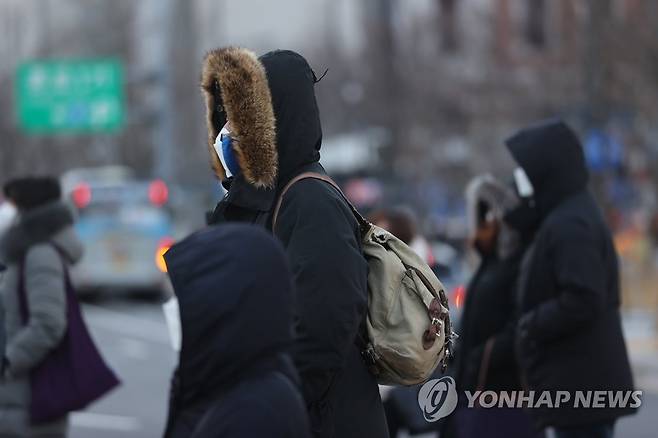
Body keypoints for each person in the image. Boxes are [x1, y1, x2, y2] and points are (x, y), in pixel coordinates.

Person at [200, 47, 388, 437]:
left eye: (245, 117)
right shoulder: (266, 198)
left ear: (276, 119)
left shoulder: (309, 200)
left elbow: (322, 326)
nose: (233, 131)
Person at [506, 119, 635, 437]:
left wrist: (531, 324)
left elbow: (583, 298)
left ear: (548, 170)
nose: (524, 180)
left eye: (530, 170)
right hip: (578, 384)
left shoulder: (570, 223)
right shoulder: (567, 214)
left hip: (582, 387)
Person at [162, 224, 311, 438]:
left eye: (187, 300)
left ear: (221, 304)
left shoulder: (258, 412)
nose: (176, 308)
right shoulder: (220, 380)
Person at [441, 175, 539, 438]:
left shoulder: (516, 263)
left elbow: (522, 322)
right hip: (475, 390)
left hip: (502, 394)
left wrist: (484, 355)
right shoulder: (488, 262)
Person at [0, 177, 84, 437]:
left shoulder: (40, 254)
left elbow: (48, 323)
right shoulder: (28, 252)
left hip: (28, 400)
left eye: (12, 204)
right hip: (19, 400)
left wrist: (7, 362)